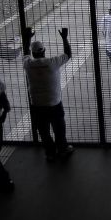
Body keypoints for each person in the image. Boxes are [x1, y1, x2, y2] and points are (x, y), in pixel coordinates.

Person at [22, 26, 74, 162]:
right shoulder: (52, 63)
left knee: (43, 131)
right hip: (54, 102)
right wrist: (64, 38)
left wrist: (27, 39)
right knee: (59, 128)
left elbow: (25, 53)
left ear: (33, 54)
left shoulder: (28, 65)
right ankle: (62, 149)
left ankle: (50, 153)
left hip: (37, 104)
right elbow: (68, 54)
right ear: (44, 51)